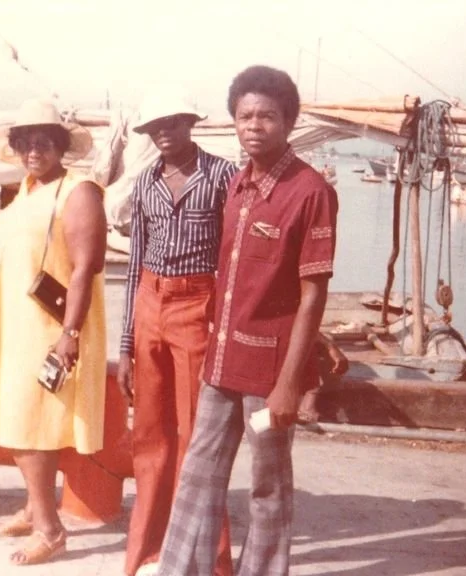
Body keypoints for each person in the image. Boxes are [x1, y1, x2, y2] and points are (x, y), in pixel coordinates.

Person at [157, 65, 339, 576]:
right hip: (222, 363)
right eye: (244, 116)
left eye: (267, 116)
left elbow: (312, 297)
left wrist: (289, 387)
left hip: (270, 372)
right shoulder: (239, 185)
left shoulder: (311, 192)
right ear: (233, 121)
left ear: (289, 122)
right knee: (197, 476)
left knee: (268, 486)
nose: (254, 125)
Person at [0, 98, 106, 566]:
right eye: (24, 143)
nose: (33, 150)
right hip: (14, 325)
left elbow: (86, 267)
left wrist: (70, 334)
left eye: (43, 142)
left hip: (51, 327)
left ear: (61, 146)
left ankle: (50, 528)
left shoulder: (77, 190)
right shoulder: (24, 191)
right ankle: (32, 506)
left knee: (30, 428)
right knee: (18, 419)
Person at [118, 86, 236, 576]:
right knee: (149, 436)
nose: (163, 133)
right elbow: (134, 265)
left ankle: (207, 563)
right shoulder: (144, 182)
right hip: (150, 299)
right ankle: (146, 554)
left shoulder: (224, 176)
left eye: (172, 123)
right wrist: (125, 343)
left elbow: (233, 256)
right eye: (154, 127)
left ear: (190, 123)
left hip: (198, 303)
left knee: (197, 435)